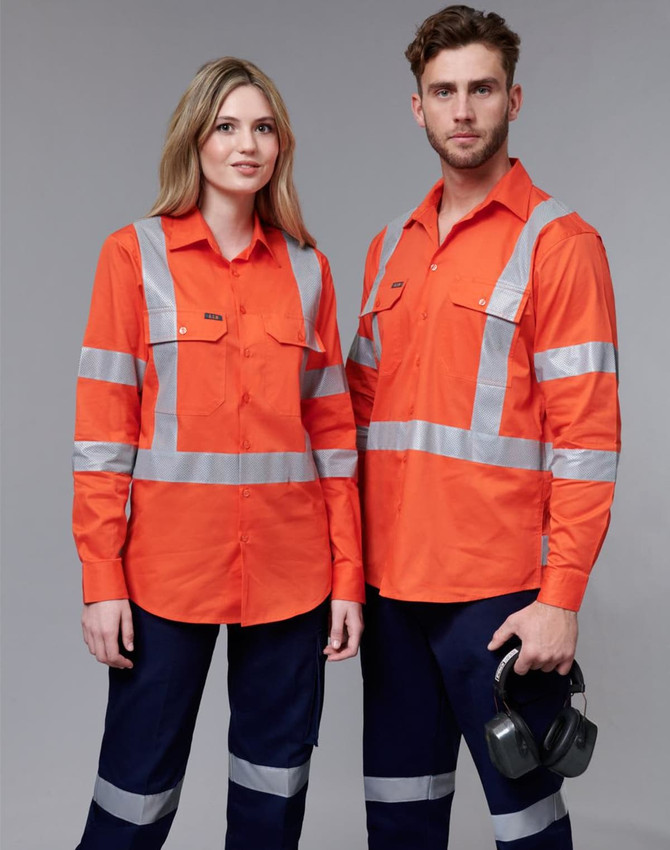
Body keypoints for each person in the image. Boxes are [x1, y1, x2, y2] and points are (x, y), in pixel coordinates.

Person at [72, 56, 364, 850]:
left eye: (263, 128)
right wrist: (102, 579)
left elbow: (334, 438)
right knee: (133, 798)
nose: (248, 145)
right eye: (227, 127)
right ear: (194, 141)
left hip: (291, 579)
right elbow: (103, 435)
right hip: (165, 579)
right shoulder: (132, 256)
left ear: (282, 145)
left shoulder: (310, 269)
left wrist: (347, 579)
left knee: (272, 802)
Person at [346, 6, 619, 849]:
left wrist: (560, 600)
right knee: (399, 823)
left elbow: (588, 437)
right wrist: (344, 577)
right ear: (417, 108)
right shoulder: (390, 244)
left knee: (528, 826)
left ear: (514, 99)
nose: (463, 109)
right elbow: (353, 423)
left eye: (481, 89)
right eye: (444, 91)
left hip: (500, 604)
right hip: (391, 600)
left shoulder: (561, 244)